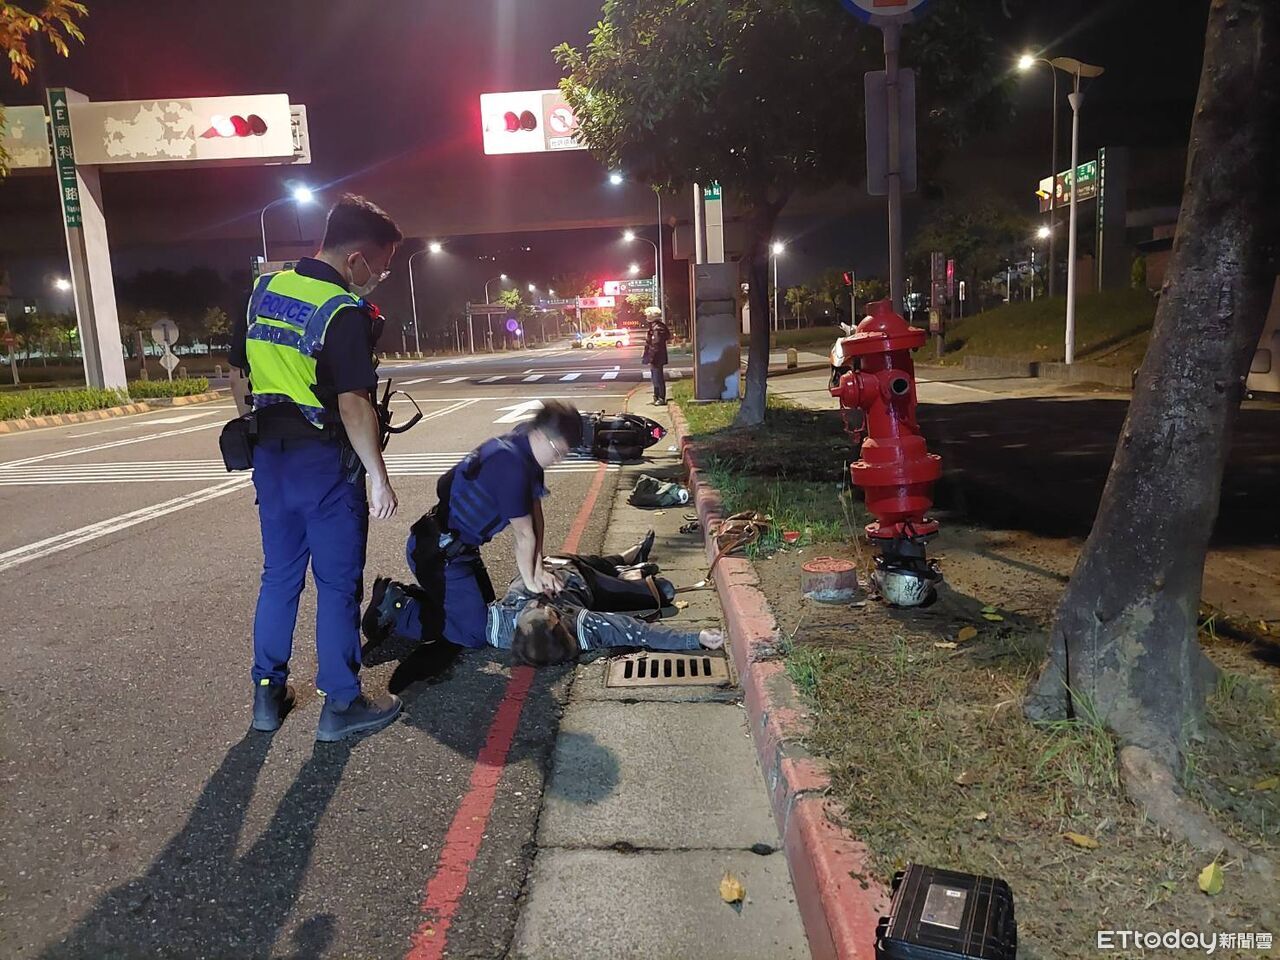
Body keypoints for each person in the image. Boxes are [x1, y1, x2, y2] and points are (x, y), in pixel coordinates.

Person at [229, 194, 404, 742]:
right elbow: (353, 404)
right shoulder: (341, 311)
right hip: (325, 464)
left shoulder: (263, 290)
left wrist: (257, 431)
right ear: (355, 259)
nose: (380, 275)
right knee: (336, 586)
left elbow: (239, 374)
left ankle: (267, 694)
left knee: (279, 576)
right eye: (380, 264)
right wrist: (377, 474)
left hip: (270, 461)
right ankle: (341, 705)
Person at [363, 402, 583, 651]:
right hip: (437, 554)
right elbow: (524, 535)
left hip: (455, 549)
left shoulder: (525, 446)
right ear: (541, 435)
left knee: (485, 608)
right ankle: (397, 608)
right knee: (474, 633)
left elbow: (534, 513)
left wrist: (539, 567)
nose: (558, 460)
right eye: (558, 452)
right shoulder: (512, 467)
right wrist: (532, 583)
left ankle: (430, 598)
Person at [362, 535, 725, 662]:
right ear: (559, 621)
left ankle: (402, 604)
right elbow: (638, 633)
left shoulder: (505, 626)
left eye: (532, 607)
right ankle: (628, 567)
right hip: (583, 584)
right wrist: (696, 638)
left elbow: (474, 615)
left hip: (565, 568)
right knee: (657, 592)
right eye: (541, 608)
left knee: (466, 630)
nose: (536, 603)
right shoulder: (585, 626)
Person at [641, 307, 670, 406]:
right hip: (655, 356)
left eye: (647, 315)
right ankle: (657, 396)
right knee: (655, 377)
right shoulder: (654, 327)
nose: (646, 317)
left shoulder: (657, 328)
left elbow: (655, 344)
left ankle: (661, 397)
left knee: (658, 377)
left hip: (657, 357)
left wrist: (651, 356)